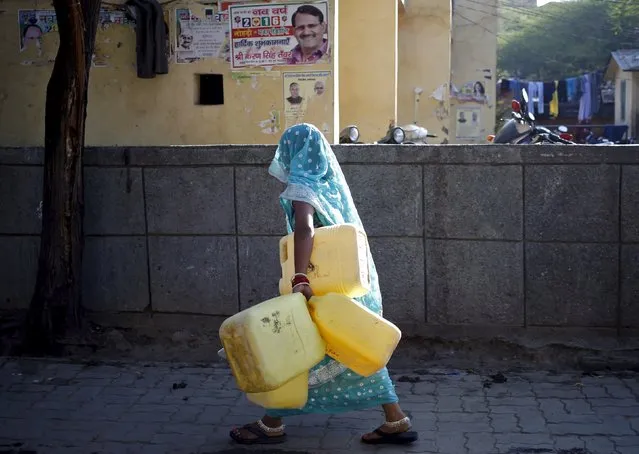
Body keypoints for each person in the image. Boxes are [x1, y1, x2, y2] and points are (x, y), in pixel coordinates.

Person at [229, 124, 418, 446]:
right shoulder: (329, 184)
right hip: (347, 283)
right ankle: (395, 419)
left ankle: (272, 423)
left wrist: (300, 278)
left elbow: (305, 230)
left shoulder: (303, 185)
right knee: (350, 347)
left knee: (304, 348)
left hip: (320, 285)